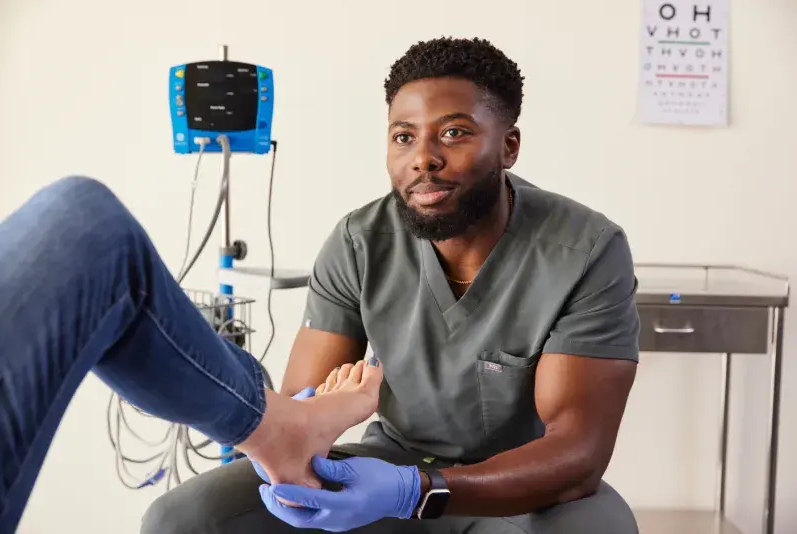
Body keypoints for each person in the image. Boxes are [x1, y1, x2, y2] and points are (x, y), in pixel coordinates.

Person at [143, 36, 642, 534]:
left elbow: (578, 452)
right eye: (404, 137)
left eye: (453, 134)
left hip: (523, 488)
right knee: (184, 518)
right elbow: (302, 414)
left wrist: (416, 492)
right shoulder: (360, 243)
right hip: (389, 464)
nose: (423, 158)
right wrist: (315, 417)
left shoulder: (585, 250)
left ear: (508, 146)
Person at [0, 175, 411, 534]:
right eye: (403, 135)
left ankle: (278, 421)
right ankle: (280, 424)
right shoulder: (360, 241)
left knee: (82, 224)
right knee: (84, 226)